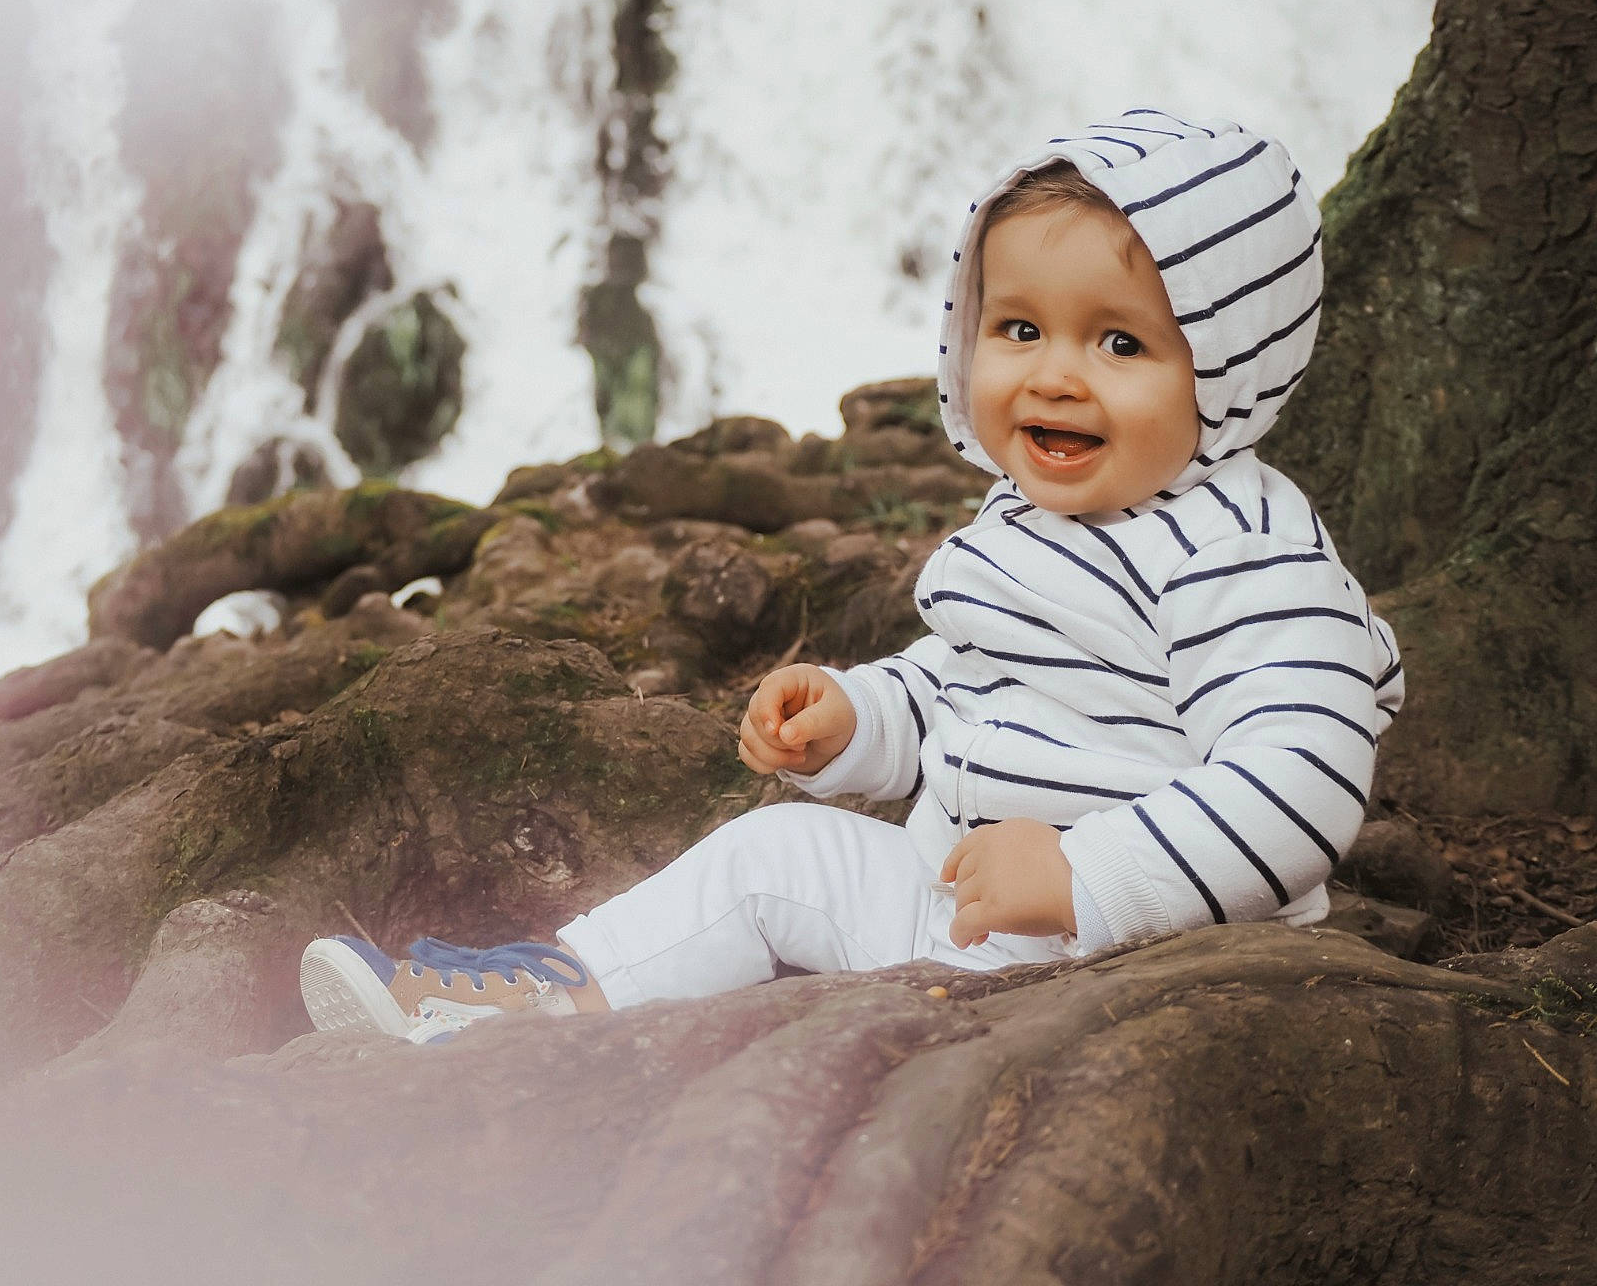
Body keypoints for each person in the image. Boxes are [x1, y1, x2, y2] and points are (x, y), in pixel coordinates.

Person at [298, 109, 1404, 1042]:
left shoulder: (1243, 554)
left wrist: (1087, 877)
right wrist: (857, 717)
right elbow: (960, 681)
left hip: (1140, 955)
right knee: (771, 852)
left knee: (881, 1047)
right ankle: (524, 1010)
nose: (1054, 376)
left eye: (1118, 345)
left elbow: (1300, 778)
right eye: (1018, 328)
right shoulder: (1028, 518)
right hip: (952, 906)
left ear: (1228, 368)